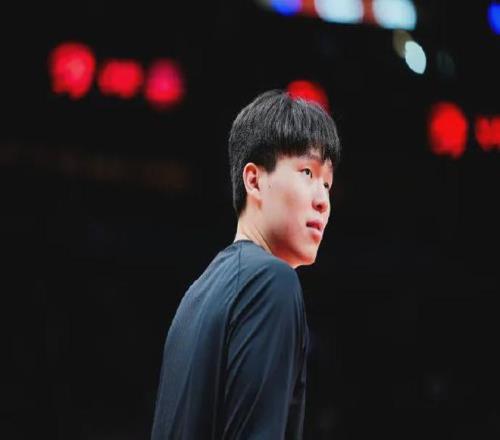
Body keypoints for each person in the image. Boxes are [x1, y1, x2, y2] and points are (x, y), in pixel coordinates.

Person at [151, 89, 341, 439]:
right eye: (307, 173)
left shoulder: (196, 294)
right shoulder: (272, 281)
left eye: (327, 184)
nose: (323, 201)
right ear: (254, 180)